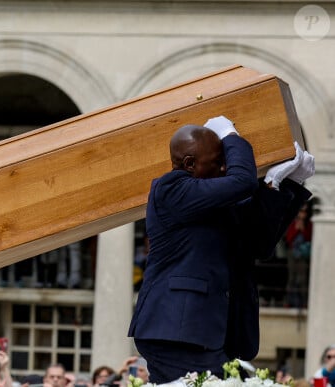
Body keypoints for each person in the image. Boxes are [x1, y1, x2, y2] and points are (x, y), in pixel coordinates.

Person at [128, 116, 314, 384]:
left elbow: (258, 243)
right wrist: (230, 136)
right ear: (190, 164)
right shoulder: (171, 188)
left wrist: (285, 185)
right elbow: (243, 181)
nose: (225, 166)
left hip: (203, 333)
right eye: (217, 161)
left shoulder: (213, 202)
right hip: (177, 332)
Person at [284, 200, 313, 307]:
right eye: (301, 211)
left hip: (302, 253)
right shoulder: (292, 222)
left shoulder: (308, 224)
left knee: (302, 279)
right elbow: (288, 239)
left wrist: (303, 229)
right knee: (292, 278)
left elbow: (310, 238)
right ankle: (289, 302)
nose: (302, 214)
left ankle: (304, 302)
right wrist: (296, 229)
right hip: (292, 252)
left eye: (305, 212)